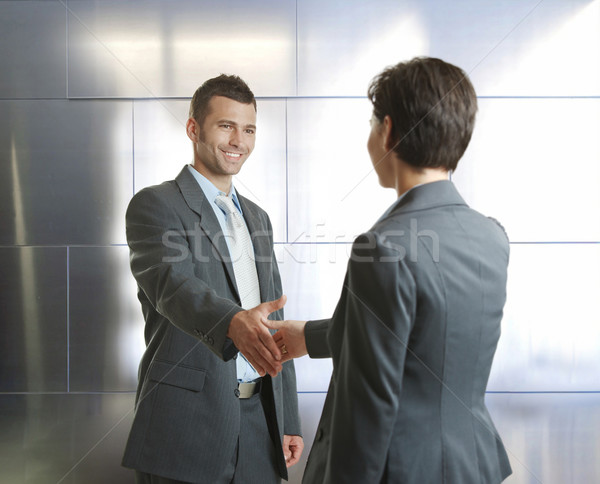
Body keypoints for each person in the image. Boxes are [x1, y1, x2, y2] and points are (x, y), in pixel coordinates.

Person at [265, 57, 512, 483]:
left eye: (372, 123)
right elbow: (424, 334)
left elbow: (366, 409)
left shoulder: (381, 248)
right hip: (472, 465)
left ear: (389, 131)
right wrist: (308, 336)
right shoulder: (491, 236)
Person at [122, 74, 303, 484]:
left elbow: (273, 317)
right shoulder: (156, 205)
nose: (238, 140)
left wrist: (287, 415)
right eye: (226, 126)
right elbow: (172, 285)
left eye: (249, 129)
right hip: (187, 427)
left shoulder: (258, 218)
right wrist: (232, 322)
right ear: (193, 129)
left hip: (260, 426)